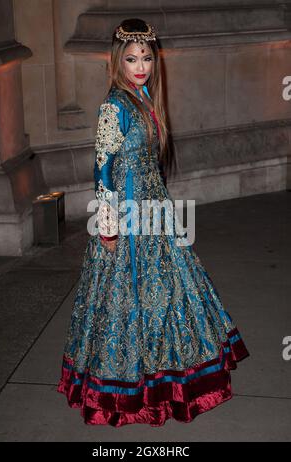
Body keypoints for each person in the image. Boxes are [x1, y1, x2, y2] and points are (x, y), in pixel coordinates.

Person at [57, 18, 250, 427]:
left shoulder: (144, 98)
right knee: (127, 300)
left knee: (168, 290)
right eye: (131, 59)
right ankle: (130, 389)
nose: (140, 65)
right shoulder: (115, 106)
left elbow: (150, 166)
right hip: (126, 218)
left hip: (154, 213)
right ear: (117, 61)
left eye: (146, 57)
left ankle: (168, 379)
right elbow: (102, 169)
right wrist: (108, 225)